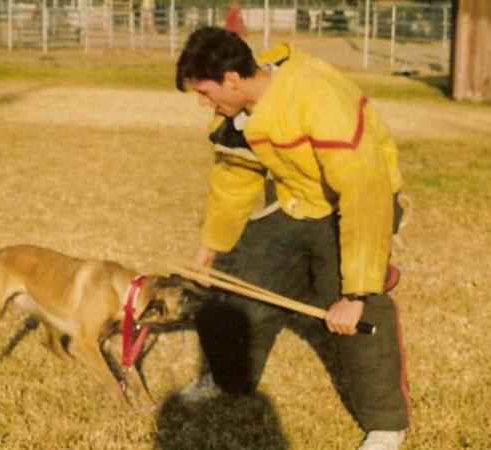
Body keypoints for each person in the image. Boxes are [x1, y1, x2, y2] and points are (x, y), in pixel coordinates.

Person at [174, 27, 409, 450]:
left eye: (206, 92)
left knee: (356, 313)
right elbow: (233, 179)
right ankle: (230, 378)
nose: (202, 103)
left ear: (231, 78)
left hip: (360, 200)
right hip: (299, 201)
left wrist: (354, 293)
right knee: (244, 283)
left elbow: (364, 191)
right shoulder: (238, 113)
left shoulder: (317, 97)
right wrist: (209, 249)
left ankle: (386, 424)